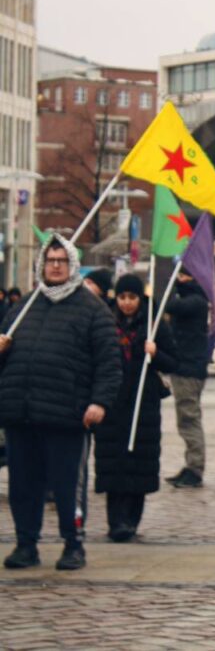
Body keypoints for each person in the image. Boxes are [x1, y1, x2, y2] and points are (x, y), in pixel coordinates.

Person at [0, 236, 122, 571]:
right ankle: (26, 544)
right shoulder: (24, 306)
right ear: (42, 264)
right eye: (50, 260)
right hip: (21, 414)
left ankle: (73, 543)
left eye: (61, 260)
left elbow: (109, 363)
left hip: (67, 416)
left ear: (71, 265)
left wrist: (100, 402)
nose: (55, 265)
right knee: (23, 486)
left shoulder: (92, 309)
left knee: (69, 487)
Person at [93, 274, 178, 542]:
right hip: (114, 401)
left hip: (144, 403)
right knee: (113, 462)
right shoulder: (105, 322)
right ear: (115, 298)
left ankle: (131, 519)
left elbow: (173, 362)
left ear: (140, 298)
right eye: (122, 297)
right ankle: (115, 521)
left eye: (132, 297)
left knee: (139, 462)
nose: (127, 303)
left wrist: (154, 354)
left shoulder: (154, 324)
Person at [163, 266, 210, 489]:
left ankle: (195, 469)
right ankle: (191, 465)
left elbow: (170, 305)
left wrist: (172, 285)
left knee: (189, 419)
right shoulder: (195, 297)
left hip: (189, 369)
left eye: (181, 275)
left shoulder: (196, 300)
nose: (179, 279)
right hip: (187, 367)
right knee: (187, 419)